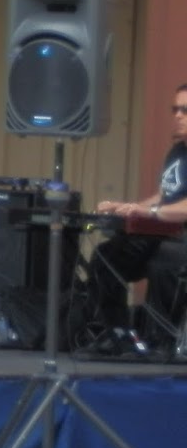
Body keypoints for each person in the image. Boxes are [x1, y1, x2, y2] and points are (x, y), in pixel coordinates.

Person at [89, 86, 187, 352]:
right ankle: (118, 334)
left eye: (185, 110)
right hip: (164, 230)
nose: (178, 116)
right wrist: (129, 208)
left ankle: (162, 342)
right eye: (175, 109)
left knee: (165, 260)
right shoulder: (177, 152)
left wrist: (150, 213)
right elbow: (164, 197)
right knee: (106, 257)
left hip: (181, 236)